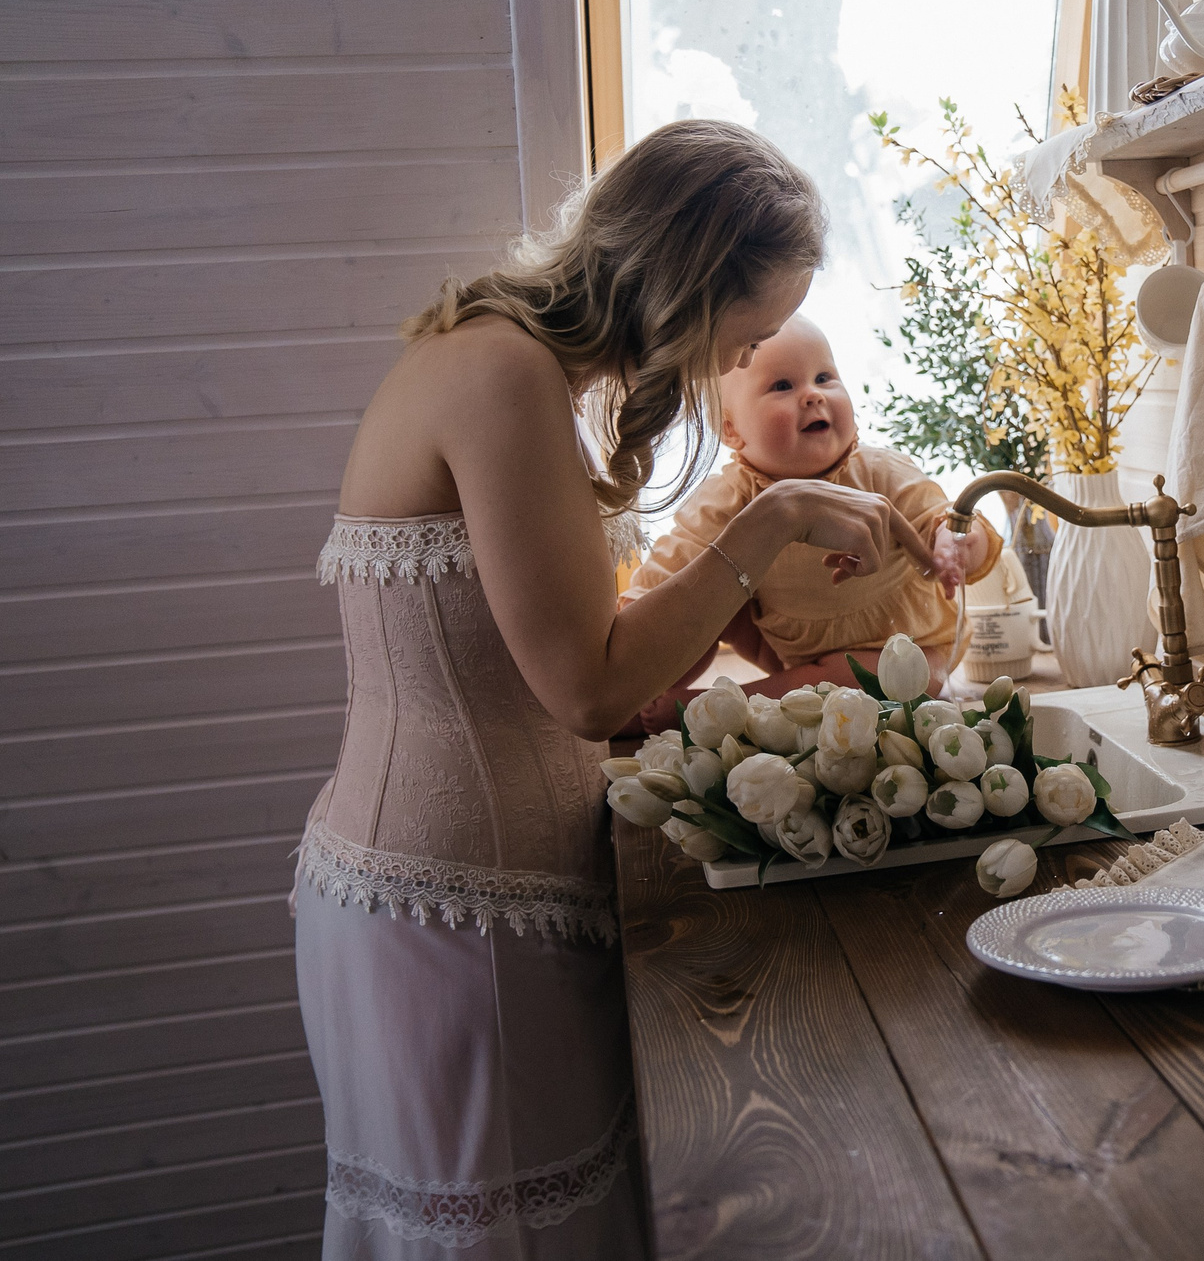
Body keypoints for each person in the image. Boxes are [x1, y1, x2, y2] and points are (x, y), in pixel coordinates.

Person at [294, 119, 927, 1257]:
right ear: (683, 289)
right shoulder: (501, 374)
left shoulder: (511, 363)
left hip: (470, 888)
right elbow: (584, 692)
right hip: (453, 912)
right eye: (744, 337)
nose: (738, 368)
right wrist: (769, 519)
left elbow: (553, 656)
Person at [623, 316, 1001, 697]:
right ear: (731, 430)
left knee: (880, 677)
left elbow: (945, 519)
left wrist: (957, 545)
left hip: (912, 649)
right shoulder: (726, 499)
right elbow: (673, 572)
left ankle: (722, 703)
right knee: (699, 602)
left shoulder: (881, 471)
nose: (813, 395)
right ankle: (654, 697)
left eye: (824, 378)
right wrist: (632, 615)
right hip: (789, 649)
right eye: (782, 386)